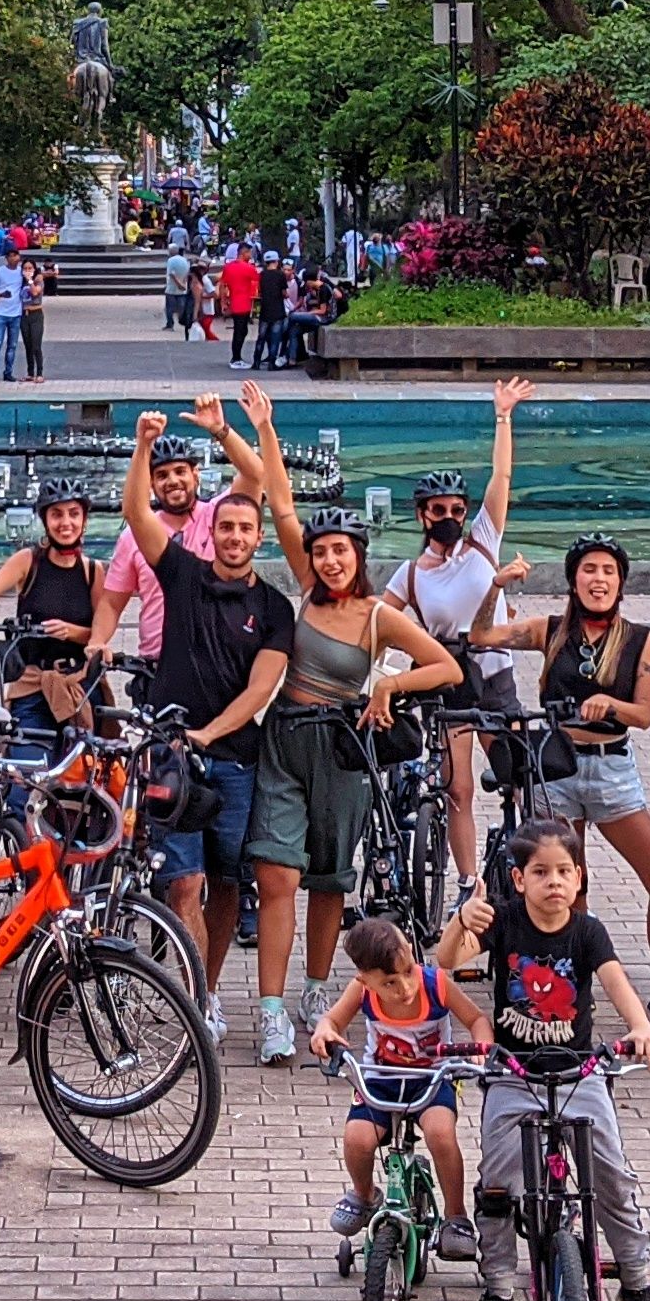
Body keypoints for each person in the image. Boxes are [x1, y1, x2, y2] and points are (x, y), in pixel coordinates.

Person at [243, 386, 460, 1063]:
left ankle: (315, 992)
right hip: (284, 739)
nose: (330, 561)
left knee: (330, 880)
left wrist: (389, 680)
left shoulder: (375, 616)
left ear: (356, 555)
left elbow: (446, 667)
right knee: (275, 874)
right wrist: (265, 430)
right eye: (321, 551)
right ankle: (272, 1010)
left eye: (341, 551)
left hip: (343, 752)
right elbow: (280, 502)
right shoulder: (305, 591)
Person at [435, 819, 650, 1301]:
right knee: (496, 1184)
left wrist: (641, 1028)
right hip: (512, 1073)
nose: (554, 882)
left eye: (565, 871)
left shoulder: (587, 931)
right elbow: (446, 959)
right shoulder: (502, 921)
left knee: (612, 1179)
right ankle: (499, 1289)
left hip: (578, 1073)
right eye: (540, 871)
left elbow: (615, 982)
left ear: (580, 877)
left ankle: (636, 1283)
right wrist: (462, 919)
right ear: (519, 880)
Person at [468, 537, 650, 1051]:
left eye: (609, 571)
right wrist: (495, 587)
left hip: (612, 768)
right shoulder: (551, 631)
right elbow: (481, 635)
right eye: (589, 570)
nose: (599, 579)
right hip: (556, 766)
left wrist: (606, 704)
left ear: (620, 581)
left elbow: (644, 714)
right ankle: (571, 1001)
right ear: (574, 579)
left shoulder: (640, 639)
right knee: (568, 887)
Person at [118, 409, 296, 1034]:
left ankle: (210, 989)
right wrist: (142, 446)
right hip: (174, 755)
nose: (236, 536)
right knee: (184, 883)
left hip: (237, 758)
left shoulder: (274, 607)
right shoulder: (184, 574)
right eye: (226, 527)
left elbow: (263, 686)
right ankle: (193, 998)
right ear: (210, 533)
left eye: (246, 528)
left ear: (257, 538)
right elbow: (138, 515)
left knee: (226, 882)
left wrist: (213, 733)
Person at [381, 382, 535, 907]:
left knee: (520, 778)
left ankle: (526, 874)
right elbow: (378, 623)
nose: (449, 515)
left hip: (496, 676)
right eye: (437, 508)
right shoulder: (408, 574)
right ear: (422, 514)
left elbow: (503, 477)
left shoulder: (482, 545)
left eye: (456, 507)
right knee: (458, 789)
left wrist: (503, 418)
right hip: (448, 685)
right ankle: (469, 886)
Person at [310, 915, 491, 1257]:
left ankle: (455, 1214)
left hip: (433, 1078)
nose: (405, 988)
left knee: (440, 1133)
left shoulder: (435, 984)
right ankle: (364, 1195)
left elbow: (476, 1018)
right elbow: (332, 1019)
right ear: (366, 980)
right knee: (357, 1137)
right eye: (390, 983)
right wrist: (325, 1031)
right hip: (382, 1080)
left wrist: (480, 1048)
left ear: (411, 951)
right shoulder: (361, 991)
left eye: (408, 973)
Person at [90, 398, 264, 667]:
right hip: (158, 665)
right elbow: (112, 602)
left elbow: (255, 476)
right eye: (161, 475)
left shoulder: (221, 518)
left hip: (217, 660)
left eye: (180, 471)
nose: (172, 481)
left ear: (196, 475)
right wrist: (98, 641)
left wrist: (220, 430)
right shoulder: (135, 536)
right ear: (150, 483)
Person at [0, 477, 107, 740]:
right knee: (24, 768)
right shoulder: (28, 562)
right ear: (45, 521)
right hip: (33, 684)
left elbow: (100, 633)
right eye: (56, 515)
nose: (66, 523)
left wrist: (72, 632)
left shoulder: (92, 571)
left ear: (84, 519)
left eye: (74, 514)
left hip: (79, 683)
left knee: (87, 771)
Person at [0, 243, 30, 384]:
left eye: (16, 255)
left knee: (12, 345)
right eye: (10, 256)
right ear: (6, 258)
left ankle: (8, 372)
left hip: (16, 313)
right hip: (1, 312)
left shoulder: (21, 272)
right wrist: (1, 294)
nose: (13, 258)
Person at [218, 240, 262, 369]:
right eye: (249, 253)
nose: (251, 256)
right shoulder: (249, 268)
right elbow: (258, 283)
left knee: (240, 329)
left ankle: (236, 357)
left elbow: (222, 285)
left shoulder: (228, 267)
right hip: (245, 302)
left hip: (234, 301)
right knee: (240, 330)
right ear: (244, 253)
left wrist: (223, 302)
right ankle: (236, 358)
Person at [255, 251, 291, 370]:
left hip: (265, 309)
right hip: (278, 310)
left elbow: (260, 291)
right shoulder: (280, 275)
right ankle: (271, 363)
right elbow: (284, 293)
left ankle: (256, 361)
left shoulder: (262, 274)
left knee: (261, 337)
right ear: (276, 261)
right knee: (275, 338)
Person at [16, 256, 50, 382]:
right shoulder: (20, 281)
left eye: (30, 268)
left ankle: (39, 372)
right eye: (25, 268)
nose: (27, 270)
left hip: (36, 314)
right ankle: (30, 372)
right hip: (24, 315)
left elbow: (35, 292)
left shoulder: (38, 280)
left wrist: (30, 280)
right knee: (28, 345)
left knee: (36, 344)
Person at [163, 244, 194, 337]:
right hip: (183, 288)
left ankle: (170, 324)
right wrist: (183, 283)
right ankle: (185, 321)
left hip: (172, 288)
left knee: (169, 307)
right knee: (182, 307)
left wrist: (178, 283)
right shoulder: (184, 260)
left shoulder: (170, 260)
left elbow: (171, 274)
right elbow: (188, 272)